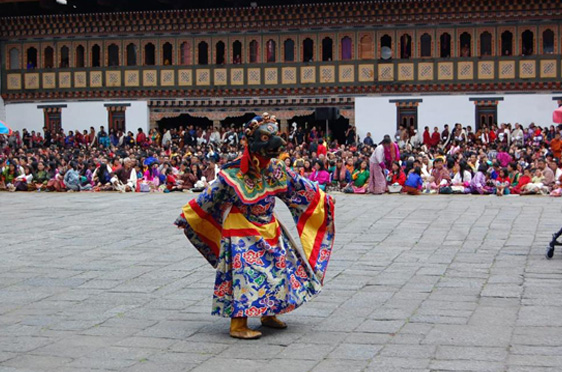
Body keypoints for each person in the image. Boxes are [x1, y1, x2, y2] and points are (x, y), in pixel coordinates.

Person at [175, 113, 335, 340]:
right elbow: (208, 198)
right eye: (266, 138)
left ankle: (269, 313)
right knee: (245, 275)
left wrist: (323, 198)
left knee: (279, 271)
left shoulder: (276, 169)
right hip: (241, 230)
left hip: (269, 226)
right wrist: (188, 216)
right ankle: (238, 324)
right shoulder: (232, 175)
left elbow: (300, 188)